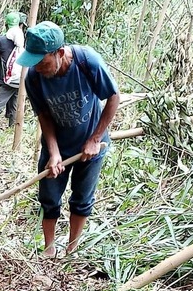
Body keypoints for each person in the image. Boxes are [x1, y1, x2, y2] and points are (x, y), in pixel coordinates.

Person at [16, 21, 120, 257]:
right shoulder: (34, 77)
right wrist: (53, 153)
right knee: (49, 197)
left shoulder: (87, 61)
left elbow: (113, 97)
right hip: (58, 145)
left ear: (60, 53)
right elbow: (44, 116)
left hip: (91, 145)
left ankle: (72, 249)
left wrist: (94, 139)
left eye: (42, 62)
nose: (38, 68)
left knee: (82, 198)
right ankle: (49, 248)